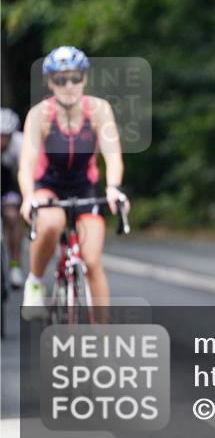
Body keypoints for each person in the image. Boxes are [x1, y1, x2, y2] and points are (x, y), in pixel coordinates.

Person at [19, 46, 130, 320]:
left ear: (84, 78)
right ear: (50, 82)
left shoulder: (98, 110)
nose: (68, 86)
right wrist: (27, 196)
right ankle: (34, 281)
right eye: (60, 79)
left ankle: (102, 341)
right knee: (53, 221)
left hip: (85, 189)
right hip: (49, 187)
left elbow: (113, 156)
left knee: (92, 262)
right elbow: (27, 164)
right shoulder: (40, 115)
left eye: (75, 78)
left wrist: (113, 187)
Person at [1, 107, 24, 287]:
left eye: (5, 135)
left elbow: (26, 173)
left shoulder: (20, 144)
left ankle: (15, 265)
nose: (1, 140)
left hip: (10, 186)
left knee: (12, 216)